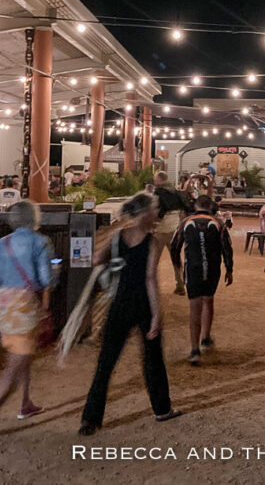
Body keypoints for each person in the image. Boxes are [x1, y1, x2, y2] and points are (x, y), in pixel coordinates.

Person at [79, 193, 181, 435]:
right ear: (145, 213)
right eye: (155, 209)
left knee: (106, 363)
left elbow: (95, 259)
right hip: (143, 305)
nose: (158, 213)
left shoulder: (118, 237)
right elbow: (150, 279)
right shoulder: (151, 241)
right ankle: (161, 409)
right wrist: (157, 315)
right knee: (152, 360)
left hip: (119, 303)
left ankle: (90, 419)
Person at [0, 200, 55, 435]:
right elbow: (46, 279)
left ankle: (25, 403)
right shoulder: (40, 242)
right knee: (16, 363)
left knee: (21, 356)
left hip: (3, 304)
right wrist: (56, 273)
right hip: (25, 307)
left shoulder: (2, 243)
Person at [170, 195, 234, 365]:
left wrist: (177, 264)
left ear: (196, 206)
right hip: (212, 268)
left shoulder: (186, 222)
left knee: (194, 307)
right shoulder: (218, 223)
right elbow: (227, 247)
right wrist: (229, 269)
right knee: (209, 299)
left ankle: (195, 349)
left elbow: (174, 245)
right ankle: (206, 336)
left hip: (193, 268)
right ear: (210, 206)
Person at [151, 171, 194, 295]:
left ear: (159, 180)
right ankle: (180, 285)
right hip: (175, 229)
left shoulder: (158, 192)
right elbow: (186, 207)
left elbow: (160, 211)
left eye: (155, 179)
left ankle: (151, 287)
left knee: (153, 261)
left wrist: (153, 225)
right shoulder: (175, 191)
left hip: (160, 230)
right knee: (176, 258)